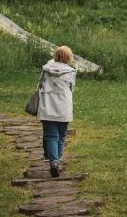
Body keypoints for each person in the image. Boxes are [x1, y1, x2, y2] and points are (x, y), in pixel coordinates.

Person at [37, 45, 77, 178]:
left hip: (47, 105)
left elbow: (40, 84)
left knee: (51, 135)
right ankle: (56, 161)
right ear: (69, 57)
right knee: (61, 136)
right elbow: (72, 89)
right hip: (64, 107)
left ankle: (53, 162)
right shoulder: (71, 72)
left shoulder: (46, 69)